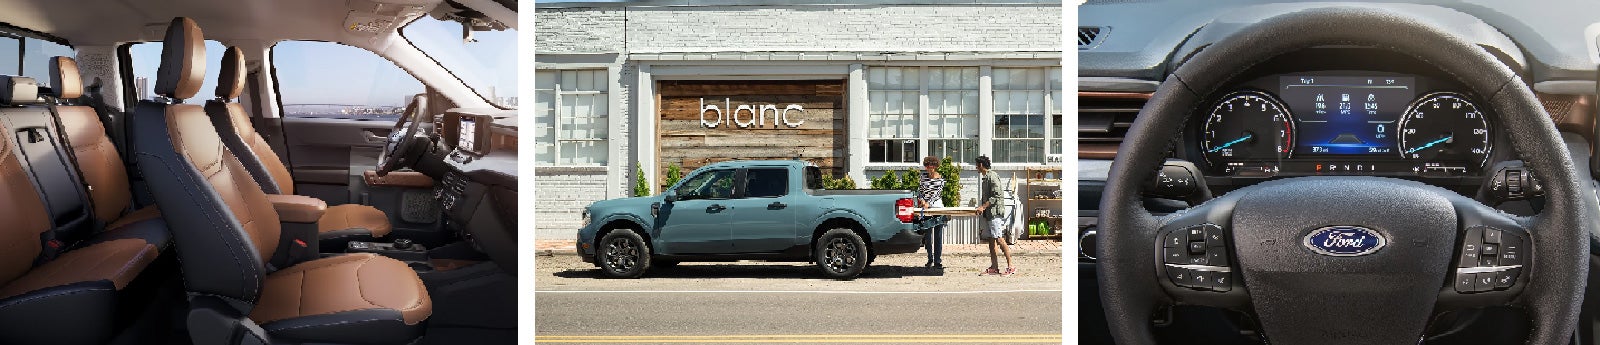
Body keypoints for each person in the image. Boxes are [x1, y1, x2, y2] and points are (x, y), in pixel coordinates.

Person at [975, 156, 1014, 276]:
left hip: (995, 213)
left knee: (999, 239)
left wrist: (983, 207)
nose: (976, 167)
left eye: (977, 165)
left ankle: (1011, 266)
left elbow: (996, 196)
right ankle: (994, 267)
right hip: (989, 213)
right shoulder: (985, 178)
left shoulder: (992, 176)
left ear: (981, 165)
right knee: (991, 240)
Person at [918, 156, 947, 269]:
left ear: (935, 167)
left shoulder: (940, 180)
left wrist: (928, 203)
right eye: (927, 166)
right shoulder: (923, 177)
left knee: (938, 235)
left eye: (931, 166)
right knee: (928, 235)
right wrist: (922, 200)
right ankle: (930, 258)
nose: (929, 169)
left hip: (937, 207)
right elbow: (920, 191)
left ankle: (938, 260)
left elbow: (936, 195)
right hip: (925, 208)